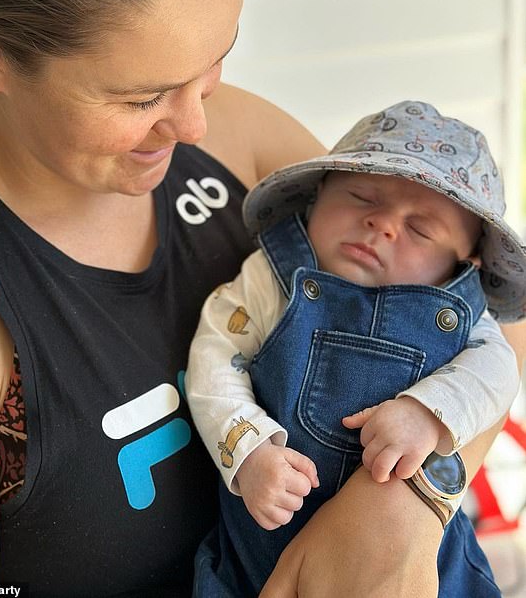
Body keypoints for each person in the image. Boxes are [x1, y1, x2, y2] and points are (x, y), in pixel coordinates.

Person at [0, 0, 523, 596]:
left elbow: (493, 316)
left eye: (215, 62)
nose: (192, 123)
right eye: (142, 95)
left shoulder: (238, 139)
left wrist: (402, 503)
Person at [186, 100, 525, 597]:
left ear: (465, 262)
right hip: (257, 550)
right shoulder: (270, 277)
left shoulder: (464, 314)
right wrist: (250, 449)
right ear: (317, 196)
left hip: (414, 564)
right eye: (362, 197)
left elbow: (496, 375)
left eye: (420, 229)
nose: (383, 225)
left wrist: (428, 414)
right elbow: (215, 358)